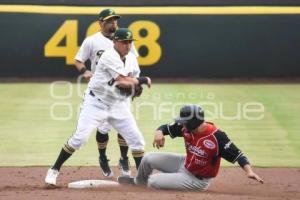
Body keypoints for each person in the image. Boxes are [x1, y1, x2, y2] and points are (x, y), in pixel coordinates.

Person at [45, 28, 151, 186]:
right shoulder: (108, 55)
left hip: (118, 104)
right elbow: (122, 80)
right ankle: (54, 170)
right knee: (79, 139)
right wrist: (143, 80)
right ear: (115, 42)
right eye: (124, 42)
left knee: (137, 141)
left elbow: (132, 78)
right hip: (96, 103)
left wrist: (136, 86)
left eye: (130, 42)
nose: (128, 45)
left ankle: (143, 179)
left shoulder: (131, 58)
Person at [118, 104, 264, 190]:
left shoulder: (217, 137)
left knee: (154, 181)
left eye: (184, 121)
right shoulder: (185, 128)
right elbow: (164, 127)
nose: (181, 124)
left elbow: (238, 155)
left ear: (194, 121)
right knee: (148, 158)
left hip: (197, 179)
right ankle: (138, 183)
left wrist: (249, 171)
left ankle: (155, 184)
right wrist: (158, 133)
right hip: (185, 163)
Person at [75, 8, 139, 178]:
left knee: (124, 127)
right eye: (109, 21)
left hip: (121, 90)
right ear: (101, 23)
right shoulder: (92, 41)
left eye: (115, 20)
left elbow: (133, 62)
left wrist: (132, 83)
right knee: (103, 128)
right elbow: (78, 60)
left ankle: (124, 158)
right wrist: (85, 72)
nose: (113, 23)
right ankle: (103, 157)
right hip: (101, 90)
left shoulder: (124, 39)